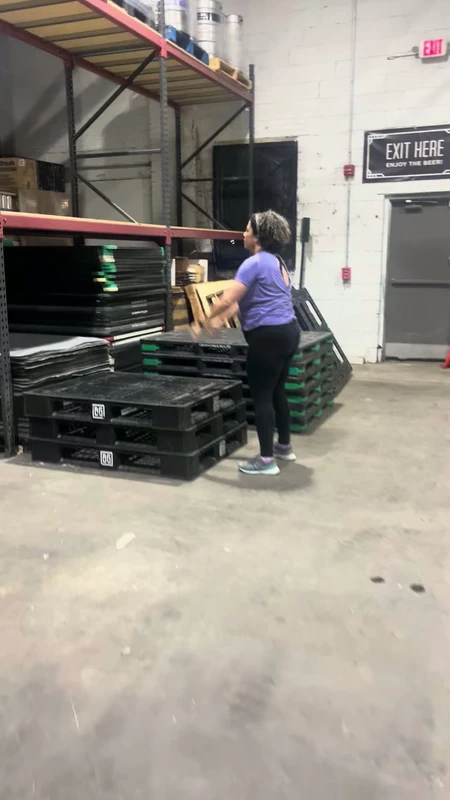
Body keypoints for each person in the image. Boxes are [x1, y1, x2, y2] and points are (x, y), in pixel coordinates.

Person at [201, 210, 300, 476]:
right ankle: (284, 447)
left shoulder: (253, 263)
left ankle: (266, 460)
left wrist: (204, 320)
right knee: (277, 391)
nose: (242, 234)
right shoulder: (277, 262)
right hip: (288, 333)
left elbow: (226, 299)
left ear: (258, 236)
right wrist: (221, 318)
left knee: (262, 397)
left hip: (268, 338)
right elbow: (249, 300)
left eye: (246, 230)